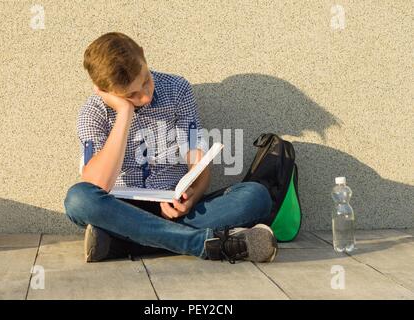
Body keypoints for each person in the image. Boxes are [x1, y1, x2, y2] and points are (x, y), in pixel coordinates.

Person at [64, 32, 278, 264]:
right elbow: (97, 184)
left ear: (144, 58)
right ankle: (205, 244)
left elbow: (198, 164)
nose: (145, 96)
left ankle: (119, 244)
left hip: (174, 208)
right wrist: (124, 113)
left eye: (145, 80)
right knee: (78, 199)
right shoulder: (93, 112)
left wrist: (192, 197)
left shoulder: (177, 90)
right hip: (121, 211)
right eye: (131, 95)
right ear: (106, 91)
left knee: (256, 196)